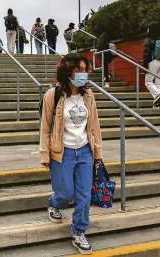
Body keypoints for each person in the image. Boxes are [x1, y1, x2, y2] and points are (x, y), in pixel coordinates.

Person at [40, 53, 103, 255]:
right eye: (78, 70)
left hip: (84, 151)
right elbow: (45, 128)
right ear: (68, 71)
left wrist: (98, 152)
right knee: (65, 194)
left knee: (84, 196)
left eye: (85, 70)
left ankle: (78, 232)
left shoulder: (89, 95)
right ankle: (53, 203)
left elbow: (94, 126)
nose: (82, 74)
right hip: (62, 152)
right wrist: (44, 153)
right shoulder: (53, 95)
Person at [143, 24, 160, 108]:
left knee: (148, 82)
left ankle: (158, 94)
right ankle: (158, 105)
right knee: (159, 84)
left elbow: (146, 54)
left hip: (153, 61)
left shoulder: (148, 40)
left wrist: (145, 66)